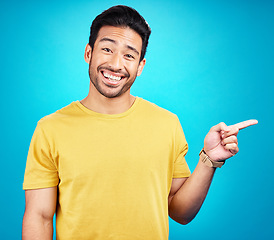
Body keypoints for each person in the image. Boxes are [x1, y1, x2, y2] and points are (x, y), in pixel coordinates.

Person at [22, 5, 257, 240]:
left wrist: (209, 160)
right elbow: (39, 217)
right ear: (88, 53)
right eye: (107, 49)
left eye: (129, 55)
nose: (116, 64)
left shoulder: (167, 124)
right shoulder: (50, 128)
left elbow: (181, 212)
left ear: (140, 66)